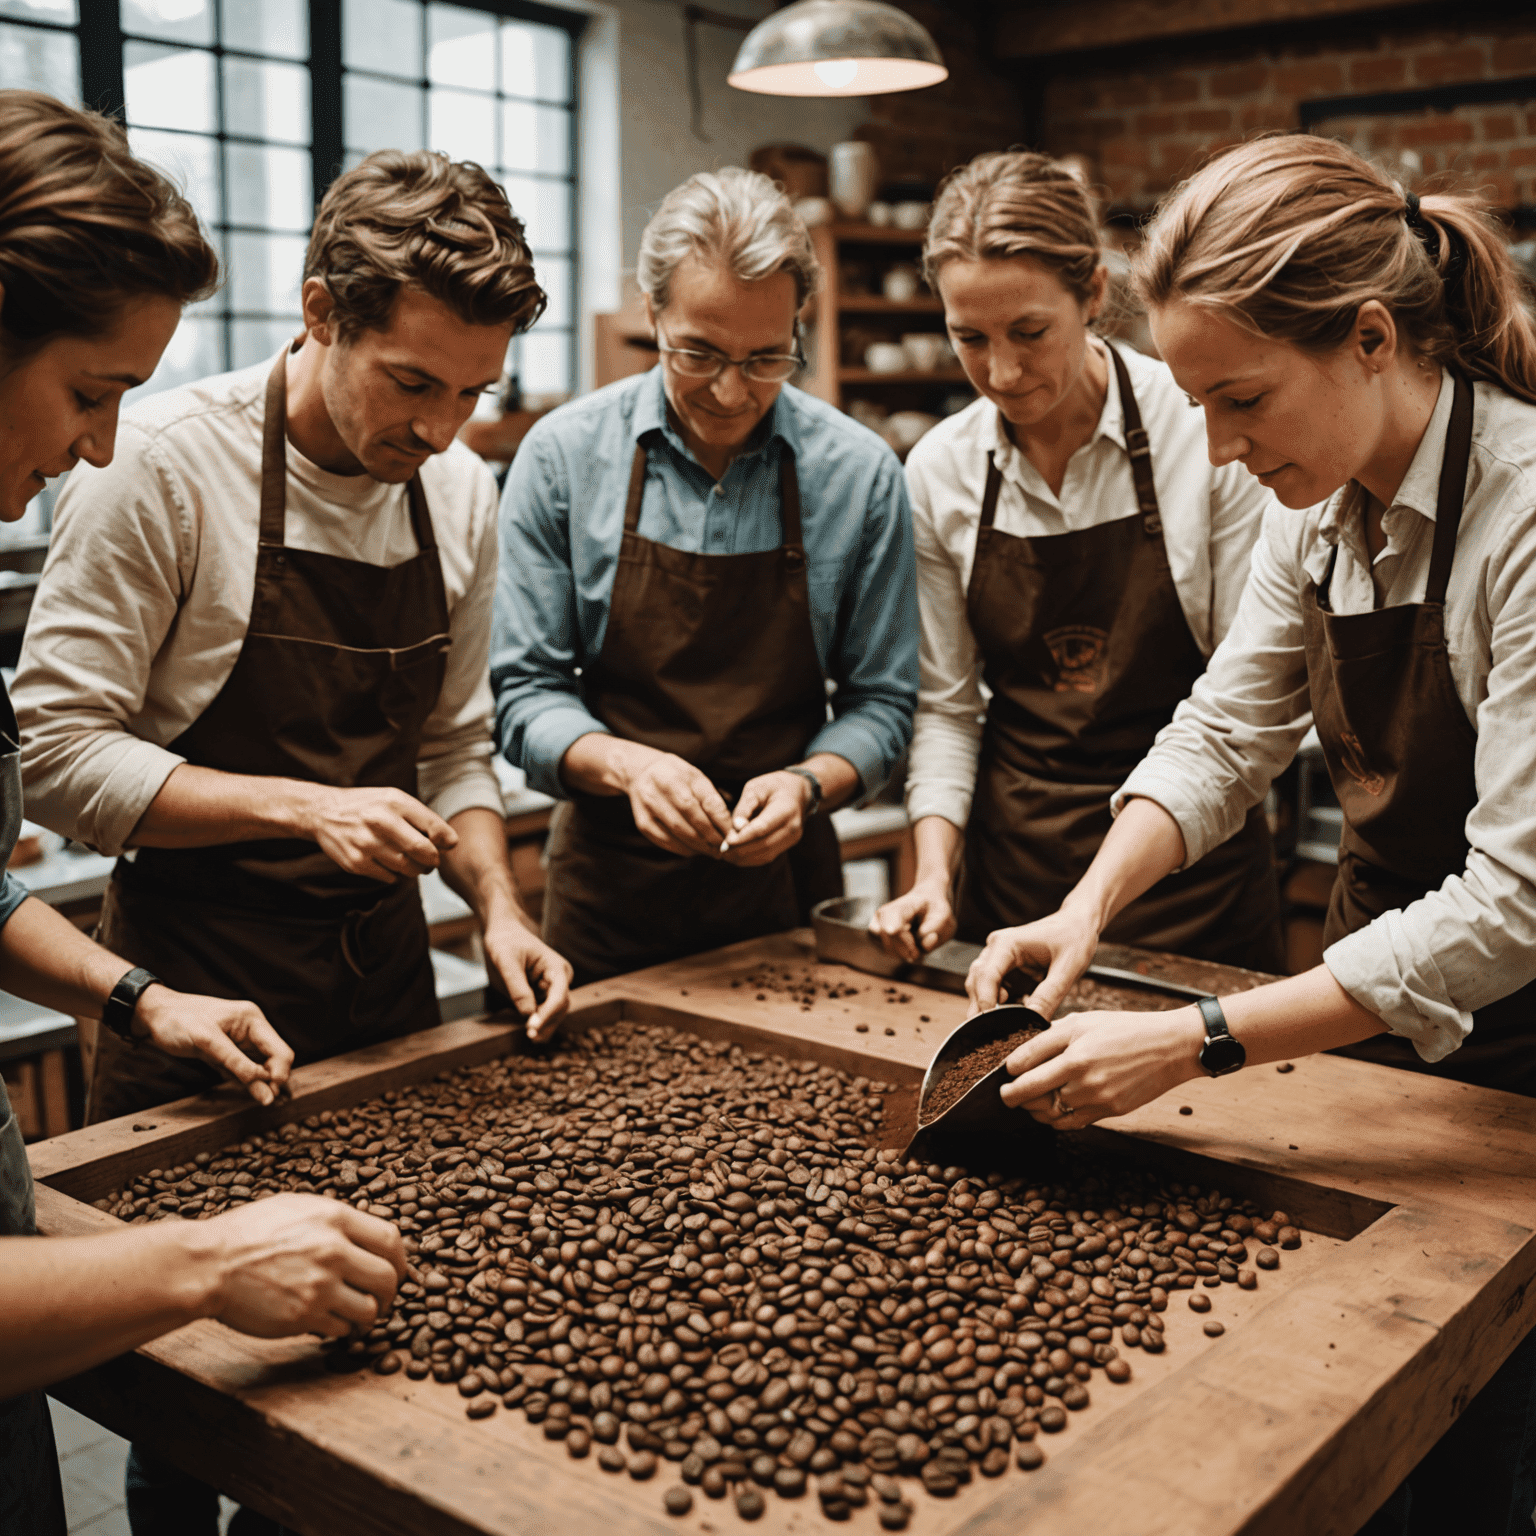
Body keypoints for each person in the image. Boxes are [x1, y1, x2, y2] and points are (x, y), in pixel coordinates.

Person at [968, 134, 1536, 1536]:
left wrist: (1195, 1038)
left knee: (1485, 1439)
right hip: (1369, 1014)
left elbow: (1518, 904)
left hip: (1529, 1044)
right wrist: (1088, 911)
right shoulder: (1322, 504)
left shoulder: (1524, 515)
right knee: (1358, 1430)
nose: (1220, 446)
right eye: (1197, 404)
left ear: (1370, 336)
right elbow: (1227, 735)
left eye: (1242, 399)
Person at [0, 90, 406, 1536]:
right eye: (88, 391)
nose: (100, 446)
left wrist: (135, 999)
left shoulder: (452, 497)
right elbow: (62, 759)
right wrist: (195, 1268)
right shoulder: (178, 468)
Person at [15, 148, 573, 1129]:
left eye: (473, 393)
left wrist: (496, 902)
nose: (442, 429)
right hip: (197, 1002)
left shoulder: (457, 491)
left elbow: (451, 749)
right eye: (412, 382)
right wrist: (309, 808)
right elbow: (58, 760)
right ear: (321, 313)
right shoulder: (157, 466)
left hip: (388, 986)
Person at [493, 167, 918, 985]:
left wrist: (806, 784)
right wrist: (631, 768)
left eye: (767, 358)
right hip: (605, 903)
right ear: (652, 316)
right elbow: (524, 694)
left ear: (803, 323)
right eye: (699, 353)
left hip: (784, 895)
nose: (730, 392)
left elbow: (884, 702)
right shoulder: (562, 459)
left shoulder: (858, 475)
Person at [870, 152, 1282, 972]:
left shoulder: (1202, 431)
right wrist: (932, 873)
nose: (1002, 372)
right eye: (968, 339)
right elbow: (948, 710)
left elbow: (1242, 699)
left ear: (1093, 294)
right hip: (1016, 877)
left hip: (1191, 880)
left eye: (1029, 332)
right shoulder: (940, 471)